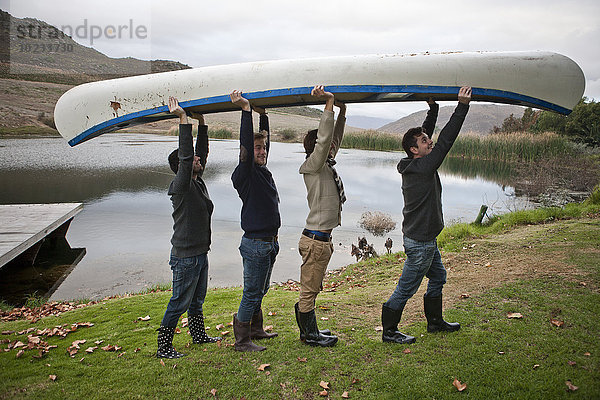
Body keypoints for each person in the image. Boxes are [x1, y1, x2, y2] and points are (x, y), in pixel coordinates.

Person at [381, 86, 472, 344]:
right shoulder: (422, 168)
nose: (428, 141)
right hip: (420, 243)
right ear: (414, 150)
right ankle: (389, 332)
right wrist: (462, 106)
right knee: (406, 288)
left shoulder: (417, 162)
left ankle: (434, 323)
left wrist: (433, 108)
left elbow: (430, 137)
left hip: (425, 238)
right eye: (423, 141)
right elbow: (445, 142)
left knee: (439, 276)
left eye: (426, 138)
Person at [156, 97, 219, 359]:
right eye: (193, 159)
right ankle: (164, 347)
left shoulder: (198, 181)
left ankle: (198, 335)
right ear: (182, 167)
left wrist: (202, 122)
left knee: (196, 300)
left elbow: (200, 153)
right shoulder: (181, 186)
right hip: (185, 257)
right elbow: (186, 156)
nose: (198, 159)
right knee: (178, 302)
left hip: (199, 254)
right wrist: (183, 120)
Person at [294, 85, 347, 347]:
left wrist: (342, 110)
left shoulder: (324, 163)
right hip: (315, 241)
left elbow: (332, 139)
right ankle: (309, 335)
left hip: (320, 240)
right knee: (309, 290)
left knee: (312, 289)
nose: (330, 149)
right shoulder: (313, 166)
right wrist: (328, 105)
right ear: (316, 149)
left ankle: (309, 330)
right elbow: (325, 140)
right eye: (325, 148)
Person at [230, 90, 280, 352]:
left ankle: (256, 329)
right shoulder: (245, 173)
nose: (262, 151)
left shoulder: (263, 170)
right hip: (256, 244)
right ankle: (241, 340)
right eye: (258, 148)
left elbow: (264, 143)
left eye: (264, 148)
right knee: (251, 292)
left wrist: (263, 116)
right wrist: (246, 111)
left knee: (261, 289)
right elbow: (247, 146)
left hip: (269, 243)